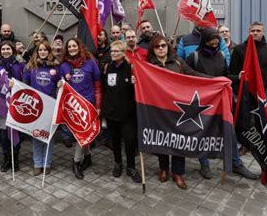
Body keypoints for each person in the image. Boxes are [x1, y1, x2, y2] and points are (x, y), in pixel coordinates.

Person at [186, 28, 258, 181]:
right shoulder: (194, 57)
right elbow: (188, 78)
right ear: (204, 42)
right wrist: (211, 82)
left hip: (221, 102)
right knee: (203, 133)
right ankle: (204, 163)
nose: (214, 47)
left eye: (216, 44)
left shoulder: (220, 55)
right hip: (202, 103)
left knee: (229, 132)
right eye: (211, 44)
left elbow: (224, 76)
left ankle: (236, 163)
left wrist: (237, 77)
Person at [146, 35, 208, 190]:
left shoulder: (178, 62)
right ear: (153, 49)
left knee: (179, 140)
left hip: (178, 110)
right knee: (161, 140)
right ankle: (164, 169)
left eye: (163, 46)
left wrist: (215, 79)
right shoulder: (149, 65)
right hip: (158, 109)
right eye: (157, 46)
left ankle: (177, 173)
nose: (160, 49)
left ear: (168, 47)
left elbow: (193, 74)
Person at [59, 38, 101, 180]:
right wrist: (61, 82)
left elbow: (97, 85)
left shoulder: (90, 63)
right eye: (69, 46)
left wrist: (98, 105)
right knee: (80, 133)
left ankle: (76, 162)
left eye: (74, 46)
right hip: (73, 105)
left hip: (88, 104)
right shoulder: (64, 65)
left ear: (79, 46)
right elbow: (61, 83)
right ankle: (88, 157)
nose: (71, 48)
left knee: (81, 134)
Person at [101, 40, 141, 183]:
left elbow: (139, 91)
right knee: (115, 141)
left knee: (130, 141)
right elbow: (103, 89)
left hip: (128, 114)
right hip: (112, 113)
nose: (113, 53)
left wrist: (135, 83)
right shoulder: (107, 67)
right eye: (112, 51)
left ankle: (131, 167)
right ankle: (118, 164)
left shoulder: (131, 68)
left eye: (116, 51)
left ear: (123, 53)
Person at [0, 41, 25, 172]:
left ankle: (15, 159)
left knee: (15, 133)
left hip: (16, 105)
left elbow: (26, 84)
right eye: (3, 49)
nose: (5, 51)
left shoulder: (20, 66)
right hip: (1, 106)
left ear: (13, 50)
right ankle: (6, 159)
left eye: (8, 49)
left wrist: (17, 84)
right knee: (3, 135)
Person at [23, 41, 60, 176]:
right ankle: (37, 163)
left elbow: (60, 83)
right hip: (36, 106)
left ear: (49, 51)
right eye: (40, 50)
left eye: (45, 50)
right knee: (37, 135)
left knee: (49, 136)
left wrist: (61, 83)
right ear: (37, 52)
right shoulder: (31, 67)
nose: (42, 52)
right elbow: (25, 84)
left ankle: (47, 163)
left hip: (51, 106)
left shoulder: (56, 67)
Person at [230, 21, 267, 100]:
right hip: (243, 92)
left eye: (258, 31)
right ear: (249, 32)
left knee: (261, 113)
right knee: (244, 113)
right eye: (253, 31)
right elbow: (233, 70)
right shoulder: (239, 49)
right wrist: (237, 89)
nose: (255, 33)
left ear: (263, 32)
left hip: (263, 91)